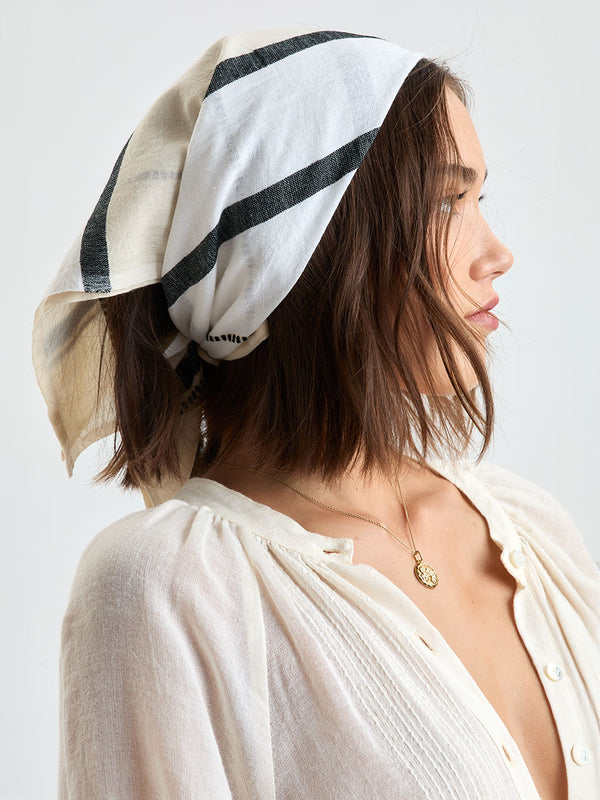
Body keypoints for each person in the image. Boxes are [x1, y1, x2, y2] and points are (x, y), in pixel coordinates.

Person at [32, 26, 600, 800]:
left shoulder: (532, 530)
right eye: (446, 201)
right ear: (304, 247)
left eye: (479, 197)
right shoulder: (167, 589)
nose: (496, 252)